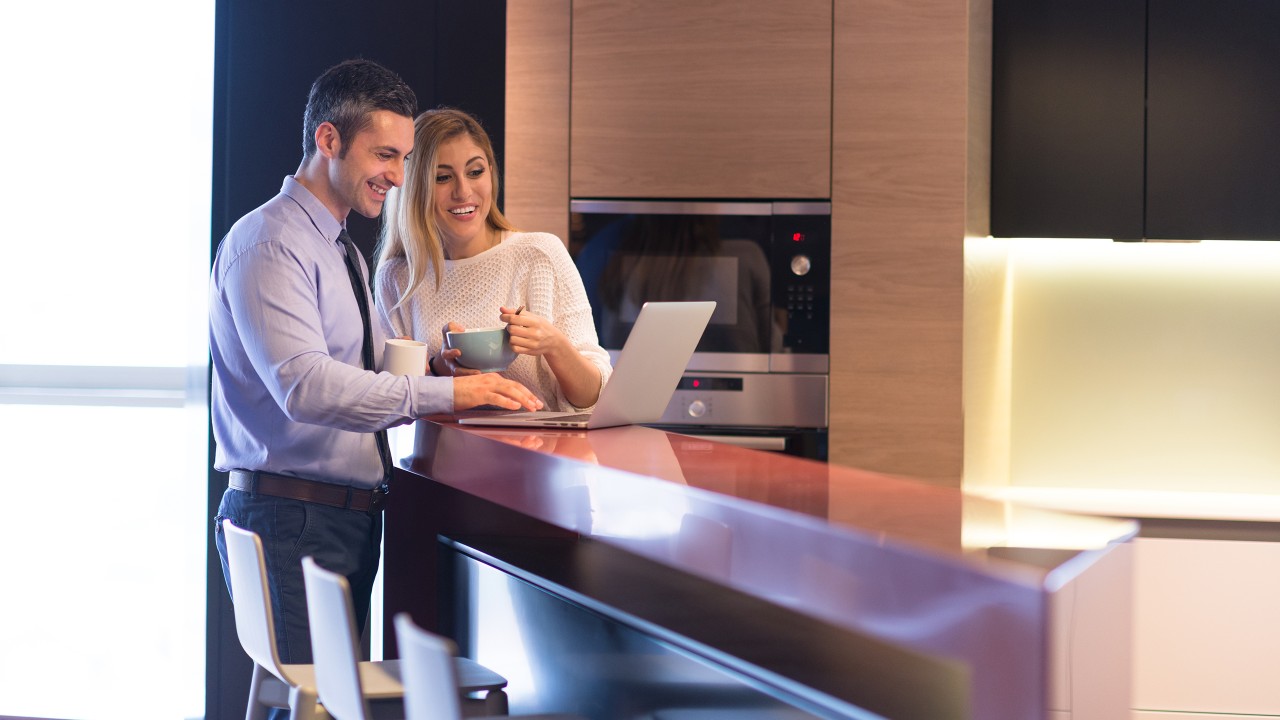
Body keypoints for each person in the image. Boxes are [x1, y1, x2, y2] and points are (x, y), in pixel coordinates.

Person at [208, 60, 542, 673]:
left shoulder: (338, 248)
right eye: (384, 155)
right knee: (322, 706)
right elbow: (305, 387)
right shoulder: (269, 244)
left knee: (322, 703)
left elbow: (372, 365)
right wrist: (451, 398)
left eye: (403, 157)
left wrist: (444, 365)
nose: (396, 175)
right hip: (294, 521)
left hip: (329, 520)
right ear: (328, 140)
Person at [375, 107, 612, 410]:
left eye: (476, 172)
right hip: (438, 454)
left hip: (541, 453)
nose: (464, 191)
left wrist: (553, 344)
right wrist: (438, 370)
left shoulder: (539, 254)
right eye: (443, 177)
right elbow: (392, 402)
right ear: (415, 188)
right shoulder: (397, 278)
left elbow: (595, 397)